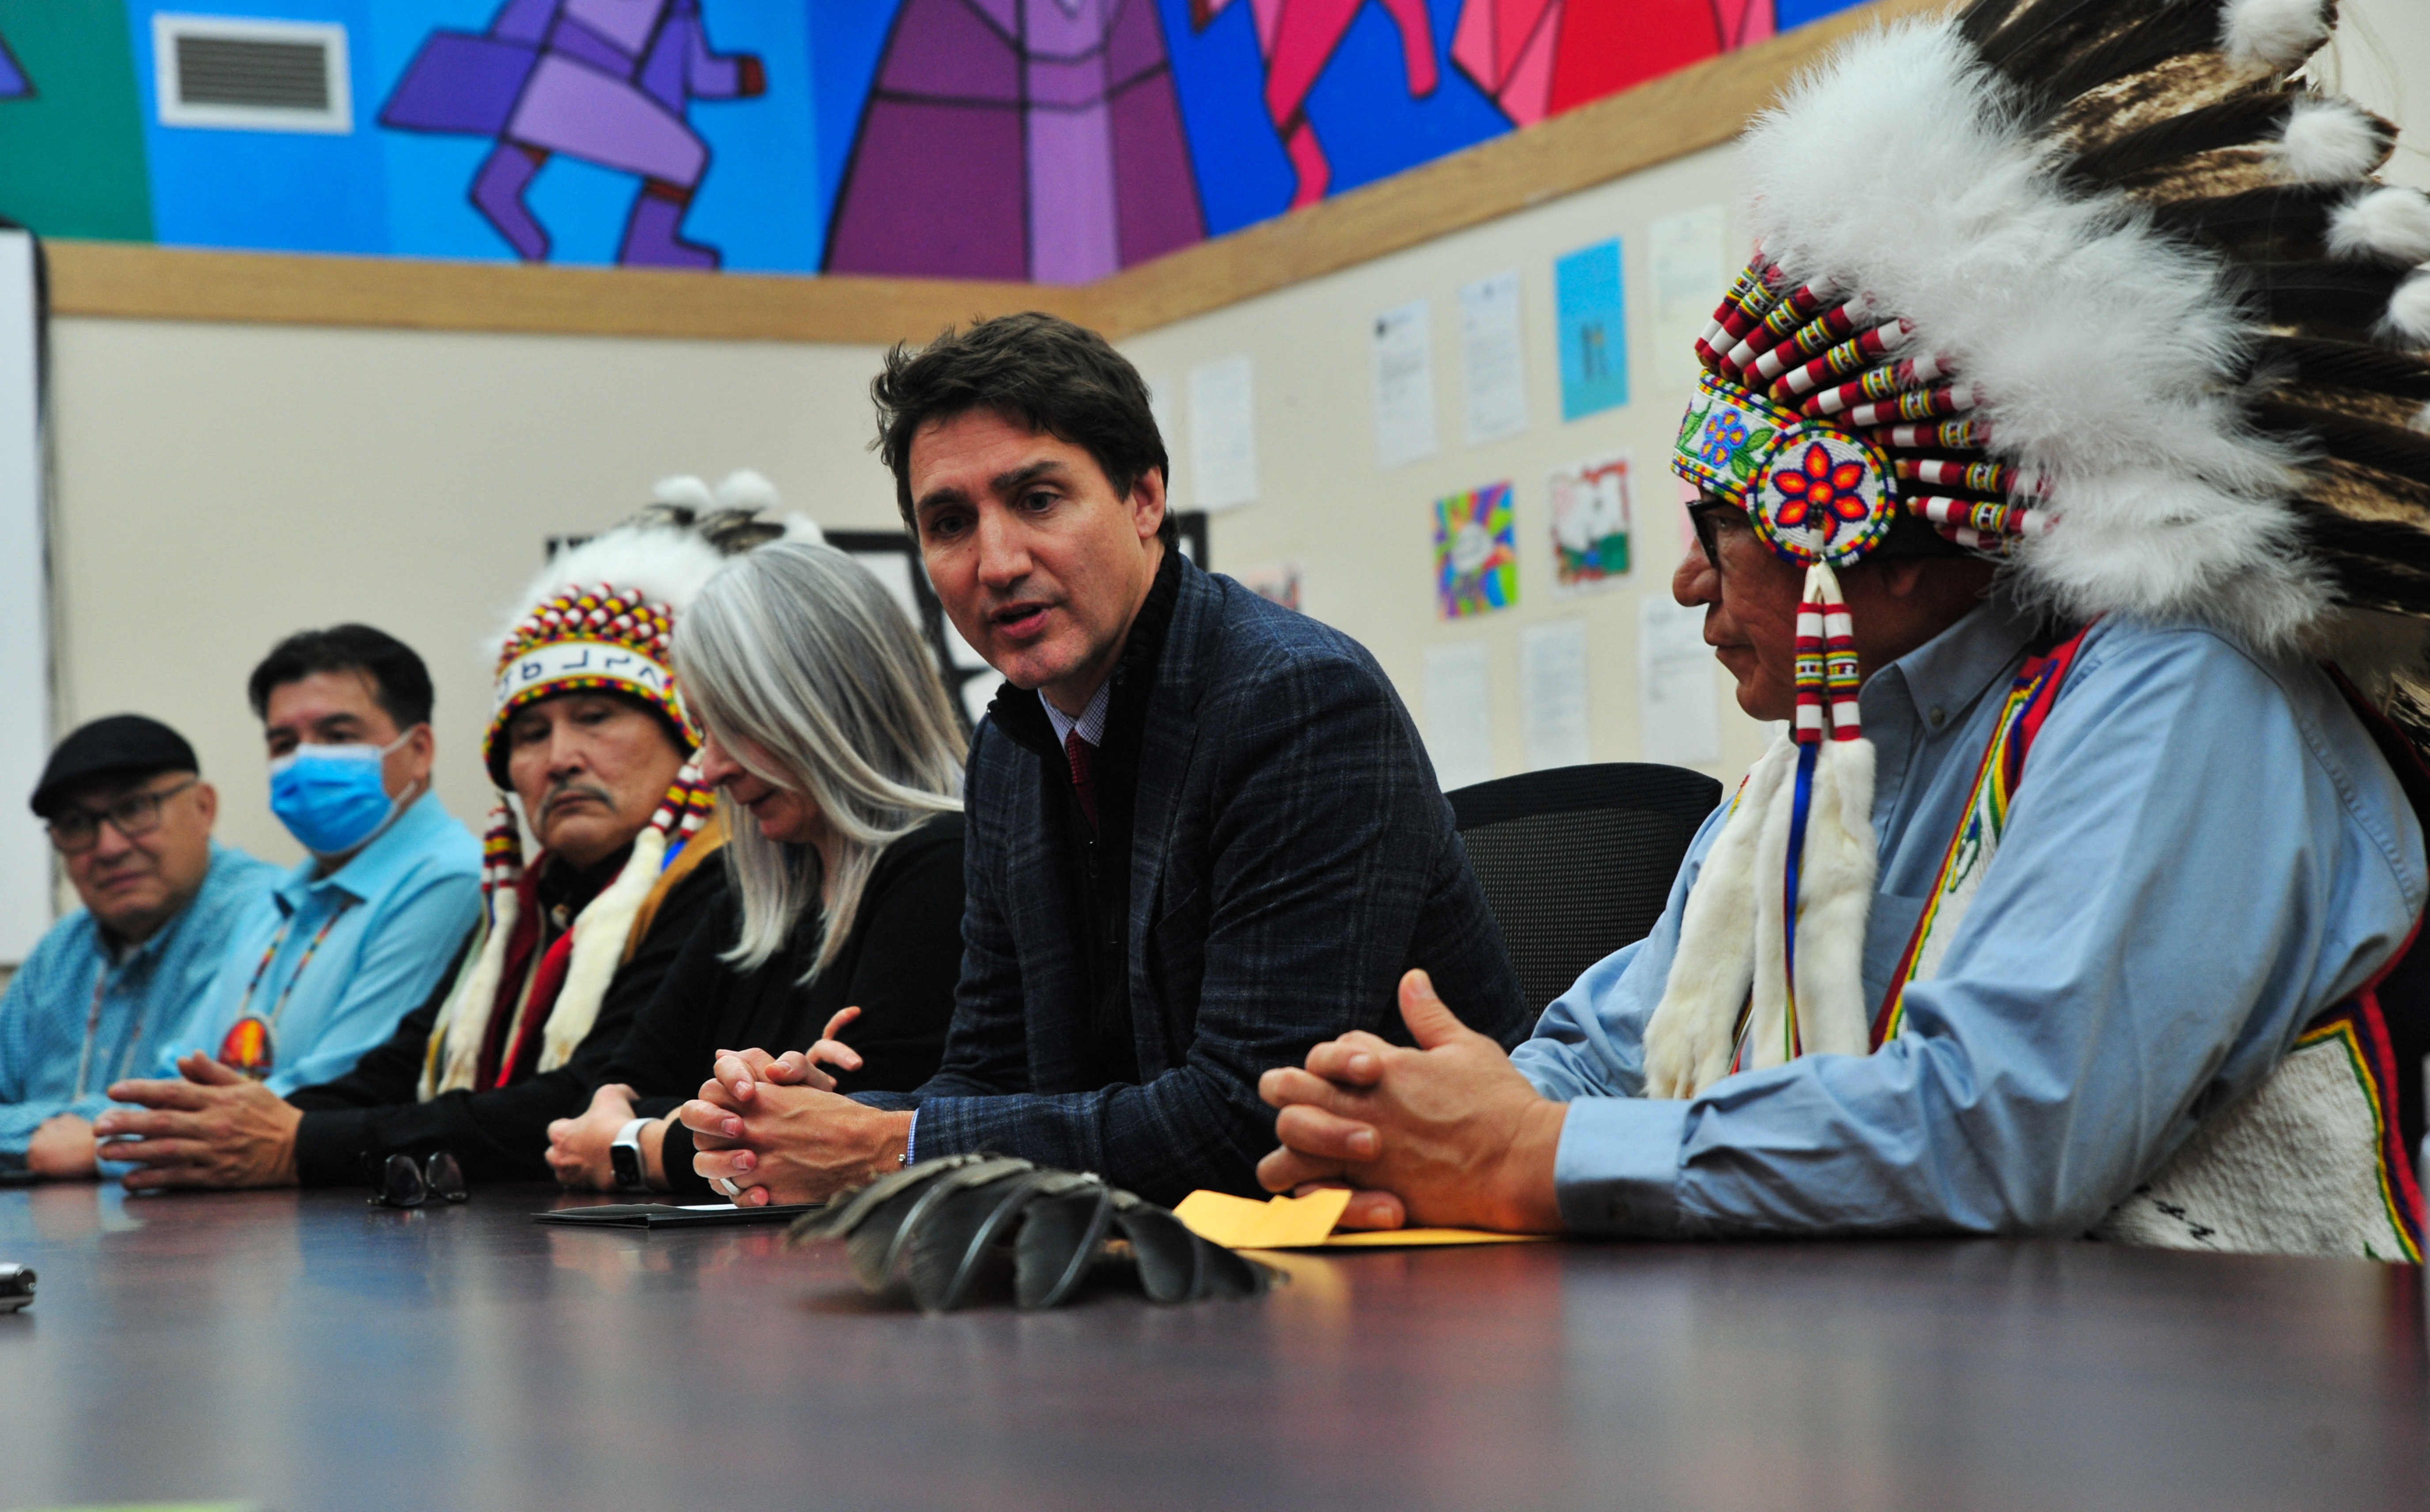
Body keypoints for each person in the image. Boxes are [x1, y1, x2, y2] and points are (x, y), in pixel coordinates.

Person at [1256, 0, 2430, 1258]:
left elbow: (1999, 1126)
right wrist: (1408, 1120)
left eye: (1720, 528)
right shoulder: (1817, 767)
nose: (1684, 583)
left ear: (1887, 549)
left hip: (2249, 1418)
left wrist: (1526, 1152)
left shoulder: (2180, 695)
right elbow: (1611, 1054)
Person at [677, 312, 1529, 1208]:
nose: (996, 561)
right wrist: (810, 1121)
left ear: (1144, 498)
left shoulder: (1298, 701)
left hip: (1420, 1276)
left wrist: (887, 1144)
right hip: (1168, 1274)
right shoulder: (1011, 748)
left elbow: (1246, 1115)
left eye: (1037, 500)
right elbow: (989, 1076)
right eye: (950, 522)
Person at [93, 500, 798, 1187]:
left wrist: (301, 1141)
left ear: (687, 744)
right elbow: (400, 1066)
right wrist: (234, 1123)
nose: (560, 758)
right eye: (530, 735)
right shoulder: (524, 906)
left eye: (594, 717)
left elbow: (585, 1095)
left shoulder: (719, 880)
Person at [546, 539, 969, 1200]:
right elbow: (620, 1081)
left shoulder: (944, 865)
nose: (709, 768)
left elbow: (843, 1144)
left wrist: (640, 1146)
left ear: (827, 703)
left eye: (734, 726)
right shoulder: (747, 897)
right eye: (703, 731)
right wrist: (737, 1114)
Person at [137, 626, 482, 1107]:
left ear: (419, 750)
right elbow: (170, 1072)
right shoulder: (275, 899)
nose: (304, 762)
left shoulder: (452, 880)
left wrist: (140, 1133)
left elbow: (341, 1092)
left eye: (337, 736)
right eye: (283, 744)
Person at [0, 718, 277, 1179]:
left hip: (221, 1236)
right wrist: (47, 1143)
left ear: (204, 807)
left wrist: (60, 1140)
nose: (108, 847)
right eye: (76, 824)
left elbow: (200, 1115)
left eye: (133, 809)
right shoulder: (59, 956)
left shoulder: (266, 919)